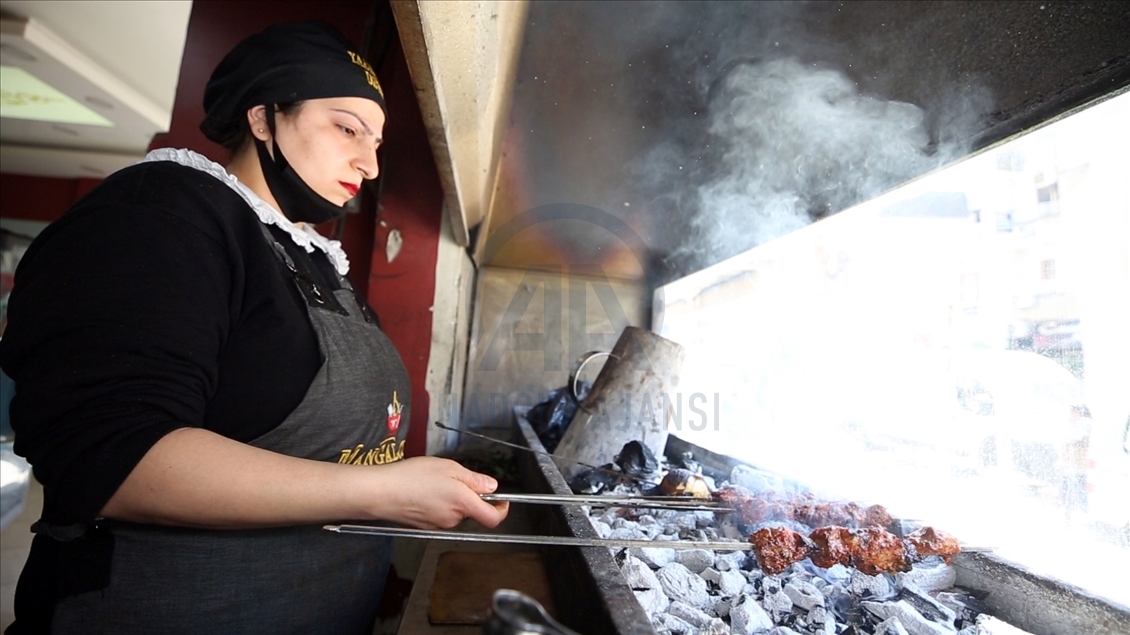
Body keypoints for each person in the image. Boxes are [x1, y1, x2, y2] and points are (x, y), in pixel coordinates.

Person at [0, 21, 508, 634]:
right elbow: (111, 458)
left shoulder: (312, 257)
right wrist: (379, 492)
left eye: (375, 142)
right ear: (263, 118)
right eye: (347, 128)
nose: (368, 165)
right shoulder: (160, 215)